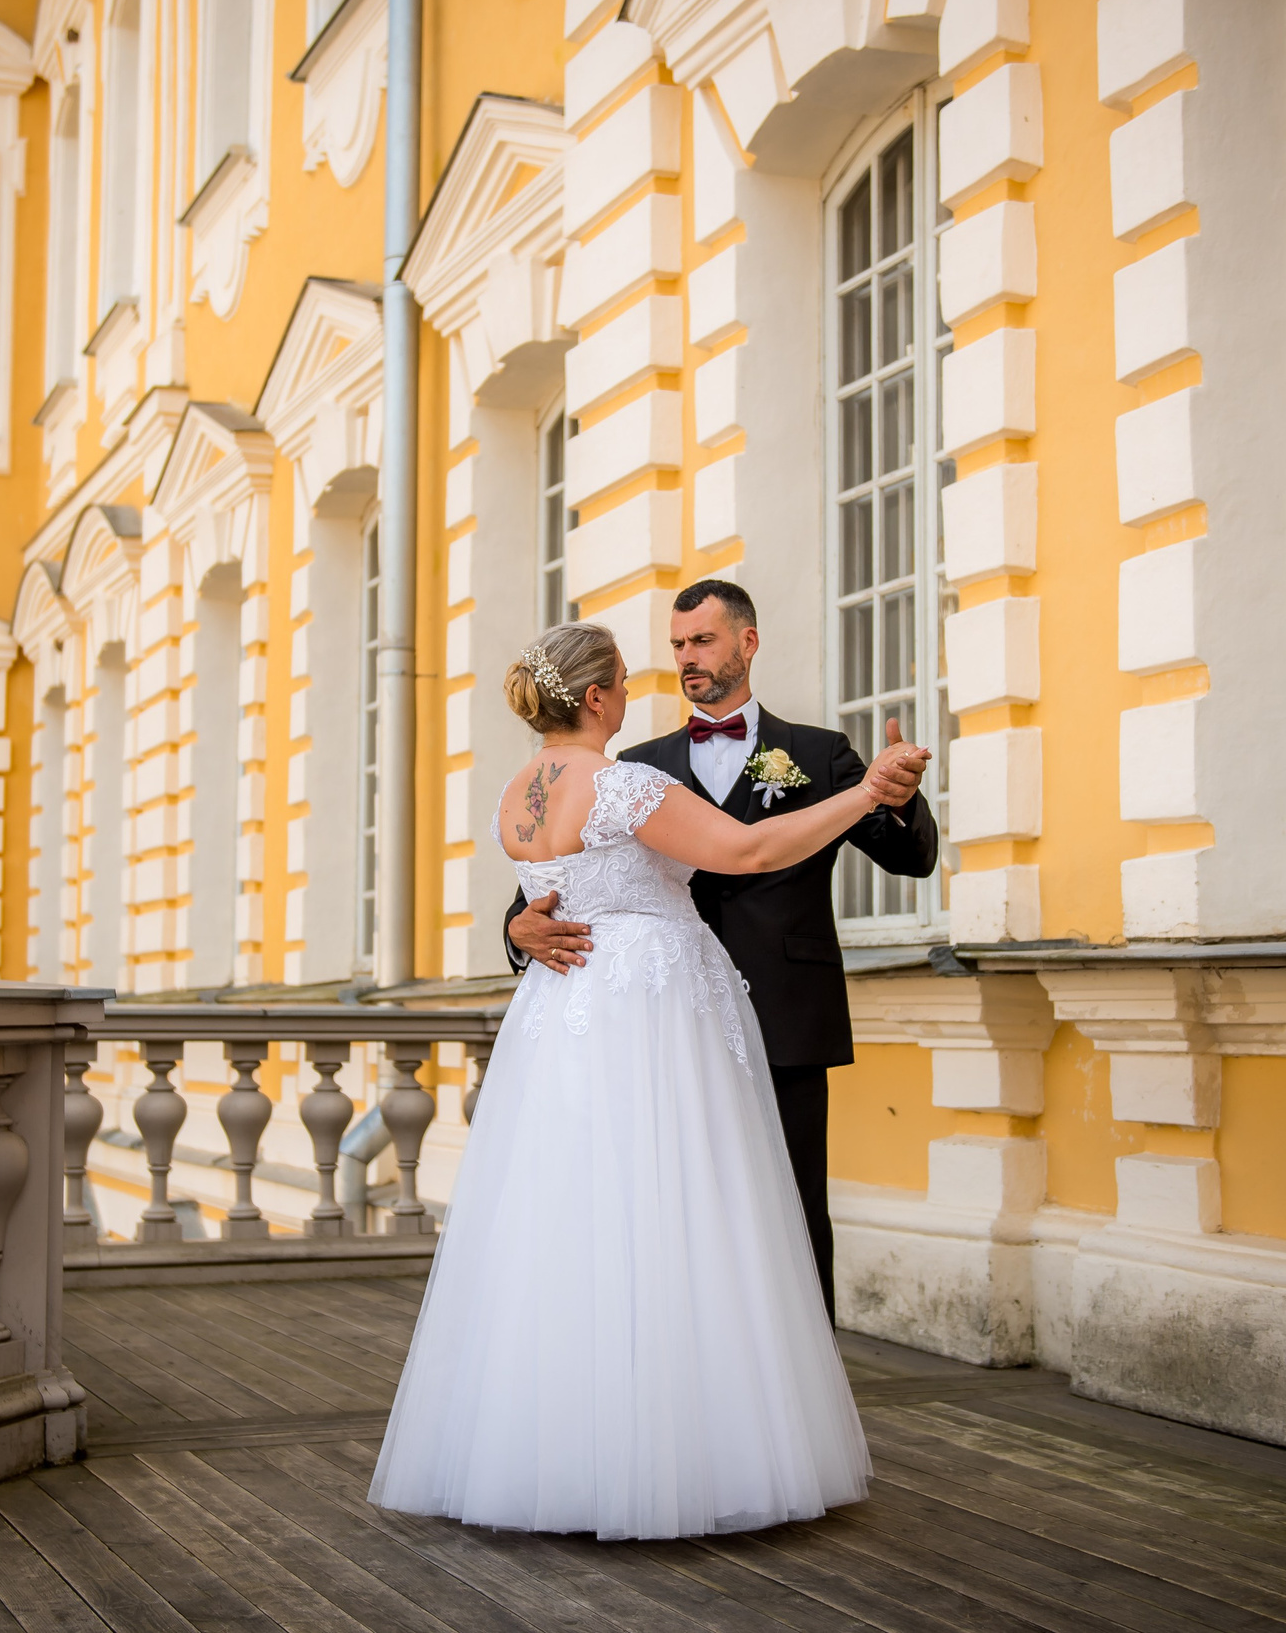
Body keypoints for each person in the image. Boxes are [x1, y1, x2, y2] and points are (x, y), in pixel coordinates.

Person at [369, 621, 933, 1538]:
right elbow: (746, 851)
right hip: (650, 1014)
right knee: (682, 1214)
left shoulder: (513, 793)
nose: (639, 691)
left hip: (564, 1021)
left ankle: (554, 1451)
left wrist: (523, 926)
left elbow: (545, 888)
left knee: (568, 1223)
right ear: (595, 698)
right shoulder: (627, 778)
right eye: (626, 679)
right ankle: (688, 1452)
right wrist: (866, 791)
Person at [503, 579, 939, 1311]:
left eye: (701, 640)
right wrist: (518, 930)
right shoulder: (629, 765)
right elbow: (552, 889)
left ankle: (799, 1394)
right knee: (673, 1215)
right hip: (658, 1031)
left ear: (747, 641)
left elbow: (912, 859)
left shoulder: (818, 752)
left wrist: (892, 794)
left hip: (784, 1020)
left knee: (794, 1218)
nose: (686, 658)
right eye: (676, 645)